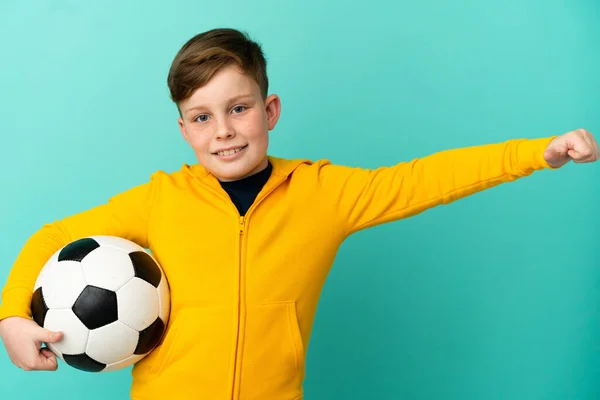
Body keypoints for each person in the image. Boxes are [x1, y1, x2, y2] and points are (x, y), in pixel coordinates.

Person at [0, 27, 597, 400]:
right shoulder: (161, 199)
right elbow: (54, 235)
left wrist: (537, 154)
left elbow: (420, 181)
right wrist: (9, 319)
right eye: (203, 117)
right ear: (183, 130)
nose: (225, 131)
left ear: (271, 110)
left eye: (239, 108)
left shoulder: (321, 193)